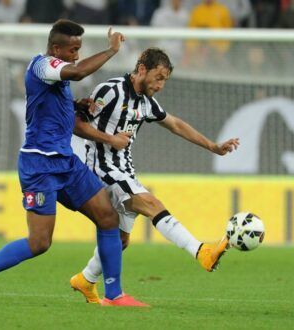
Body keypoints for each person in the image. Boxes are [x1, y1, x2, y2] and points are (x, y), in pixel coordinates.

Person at [0, 19, 148, 307]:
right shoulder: (42, 66)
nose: (76, 54)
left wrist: (75, 105)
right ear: (55, 48)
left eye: (79, 49)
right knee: (39, 243)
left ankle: (114, 295)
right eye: (72, 49)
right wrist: (111, 50)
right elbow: (76, 72)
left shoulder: (57, 78)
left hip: (66, 162)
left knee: (108, 217)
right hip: (40, 167)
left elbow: (59, 101)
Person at [69, 48, 239, 303]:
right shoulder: (111, 90)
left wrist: (213, 146)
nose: (160, 85)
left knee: (121, 240)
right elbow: (76, 124)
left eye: (164, 81)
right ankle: (201, 251)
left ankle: (85, 279)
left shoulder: (146, 103)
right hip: (99, 167)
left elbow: (175, 124)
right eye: (158, 78)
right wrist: (110, 140)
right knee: (152, 204)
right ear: (141, 70)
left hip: (124, 169)